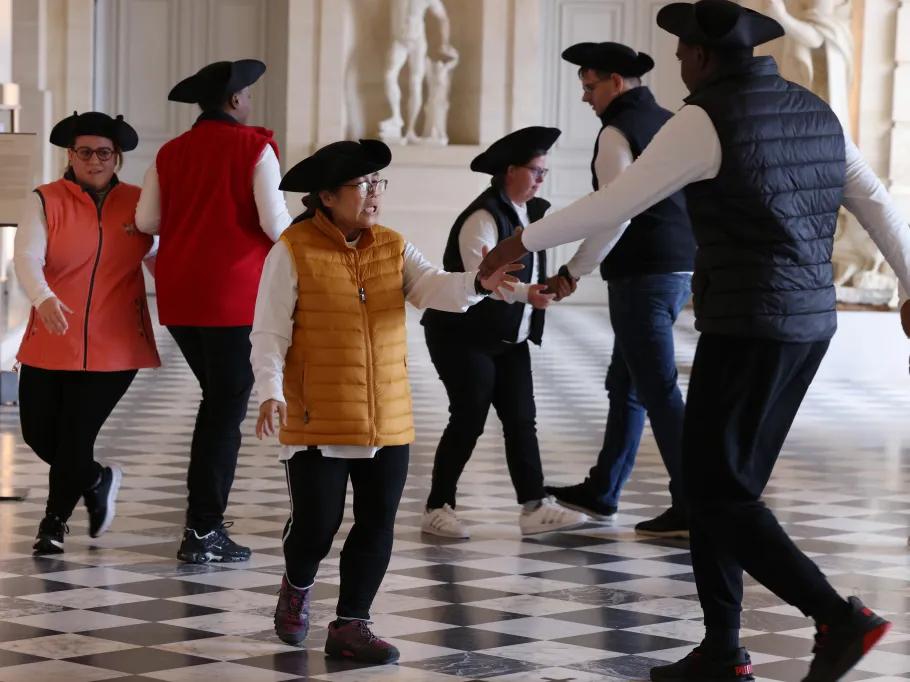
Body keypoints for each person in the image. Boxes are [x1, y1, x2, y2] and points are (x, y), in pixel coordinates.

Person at [478, 2, 908, 680]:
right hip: (808, 323)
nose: (678, 66)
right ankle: (721, 650)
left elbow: (614, 203)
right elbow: (877, 200)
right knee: (724, 488)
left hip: (748, 322)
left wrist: (519, 238)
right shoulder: (814, 111)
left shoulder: (705, 118)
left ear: (703, 57)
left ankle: (838, 617)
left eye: (682, 53)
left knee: (716, 493)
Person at [251, 139, 521, 664]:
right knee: (317, 525)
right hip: (317, 416)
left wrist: (480, 282)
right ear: (326, 196)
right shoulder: (292, 249)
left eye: (379, 182)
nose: (375, 193)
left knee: (377, 524)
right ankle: (297, 585)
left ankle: (351, 624)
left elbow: (433, 289)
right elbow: (268, 333)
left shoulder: (392, 245)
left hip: (386, 416)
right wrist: (269, 391)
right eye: (363, 184)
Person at [135, 59, 292, 565]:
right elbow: (276, 224)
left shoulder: (171, 152)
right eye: (246, 92)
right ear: (233, 100)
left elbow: (146, 219)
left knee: (217, 403)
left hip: (181, 297)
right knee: (224, 410)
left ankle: (203, 526)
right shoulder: (254, 147)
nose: (249, 99)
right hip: (234, 297)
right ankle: (202, 530)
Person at [543, 42, 695, 538]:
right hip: (678, 267)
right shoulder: (672, 121)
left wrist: (573, 270)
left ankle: (695, 504)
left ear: (615, 82)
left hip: (643, 274)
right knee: (627, 383)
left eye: (590, 87)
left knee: (658, 390)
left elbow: (615, 212)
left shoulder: (616, 132)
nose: (586, 98)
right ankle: (604, 488)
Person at [420, 126, 588, 538]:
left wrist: (550, 284)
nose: (541, 180)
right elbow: (483, 277)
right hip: (463, 337)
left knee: (520, 419)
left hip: (507, 339)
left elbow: (523, 275)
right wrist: (528, 292)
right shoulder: (482, 217)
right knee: (469, 417)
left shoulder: (530, 214)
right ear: (511, 171)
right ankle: (437, 506)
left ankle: (533, 506)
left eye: (544, 172)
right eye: (536, 171)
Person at [13, 112, 160, 554]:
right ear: (70, 155)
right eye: (84, 152)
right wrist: (43, 298)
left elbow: (162, 258)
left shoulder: (139, 204)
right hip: (52, 335)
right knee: (40, 435)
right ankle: (97, 478)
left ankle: (53, 524)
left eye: (104, 152)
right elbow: (26, 256)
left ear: (116, 158)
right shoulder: (46, 198)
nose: (94, 160)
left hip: (117, 342)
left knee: (76, 435)